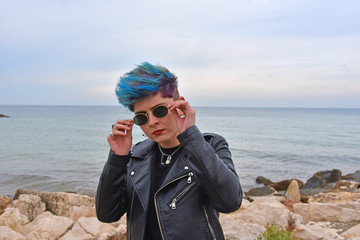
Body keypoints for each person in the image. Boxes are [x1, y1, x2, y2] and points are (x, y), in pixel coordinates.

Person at [95, 62, 242, 240]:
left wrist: (190, 135)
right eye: (142, 117)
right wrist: (118, 158)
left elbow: (230, 202)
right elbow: (107, 214)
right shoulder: (137, 155)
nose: (152, 122)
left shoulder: (211, 145)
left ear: (180, 104)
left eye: (159, 110)